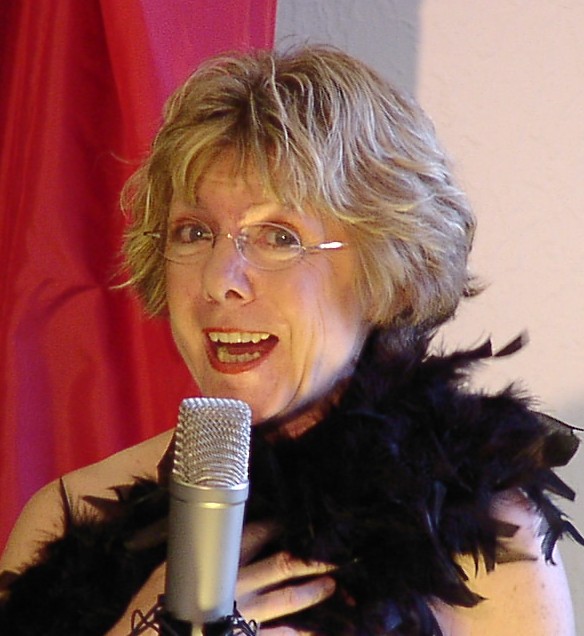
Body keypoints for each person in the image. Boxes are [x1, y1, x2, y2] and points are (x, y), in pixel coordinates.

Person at [0, 45, 581, 636]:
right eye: (194, 232)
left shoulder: (493, 536)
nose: (219, 280)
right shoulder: (66, 515)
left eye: (279, 236)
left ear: (390, 271)